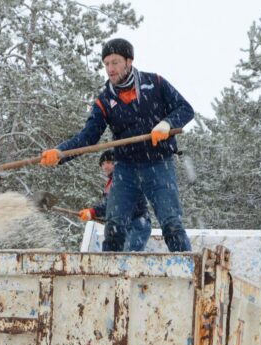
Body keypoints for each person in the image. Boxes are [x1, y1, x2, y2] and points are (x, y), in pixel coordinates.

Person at [41, 37, 194, 252]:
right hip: (126, 169)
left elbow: (185, 109)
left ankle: (189, 274)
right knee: (114, 225)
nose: (110, 69)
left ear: (129, 61)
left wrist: (167, 123)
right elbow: (88, 137)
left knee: (171, 222)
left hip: (158, 164)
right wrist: (60, 153)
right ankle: (109, 281)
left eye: (115, 62)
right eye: (106, 64)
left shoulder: (155, 83)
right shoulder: (104, 100)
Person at [79, 150, 152, 252]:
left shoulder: (125, 179)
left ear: (117, 163)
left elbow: (114, 202)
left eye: (109, 162)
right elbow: (111, 207)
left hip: (136, 223)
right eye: (103, 164)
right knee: (113, 260)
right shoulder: (110, 183)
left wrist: (93, 211)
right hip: (119, 226)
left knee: (130, 259)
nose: (105, 167)